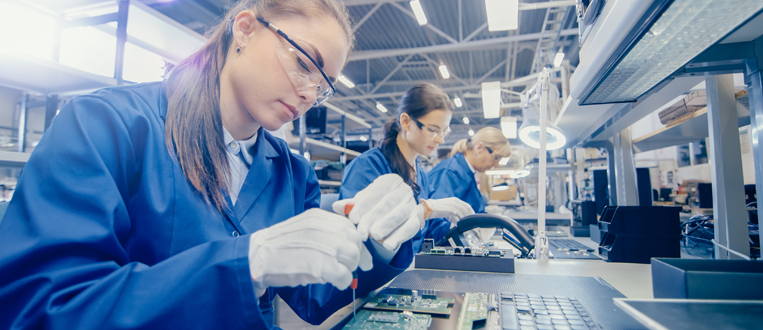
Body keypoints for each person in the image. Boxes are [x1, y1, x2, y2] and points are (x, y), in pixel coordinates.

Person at [0, 1, 422, 329]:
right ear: (245, 29)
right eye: (303, 63)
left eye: (323, 85)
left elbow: (313, 294)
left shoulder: (291, 175)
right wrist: (247, 263)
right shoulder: (107, 126)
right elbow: (43, 308)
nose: (310, 93)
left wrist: (380, 242)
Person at [338, 83, 474, 253]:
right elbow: (368, 235)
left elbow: (429, 233)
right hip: (379, 276)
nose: (441, 140)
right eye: (433, 130)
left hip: (411, 271)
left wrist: (458, 228)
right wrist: (423, 211)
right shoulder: (367, 167)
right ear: (406, 121)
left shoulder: (420, 175)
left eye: (444, 132)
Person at [429, 127, 511, 213]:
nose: (496, 164)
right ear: (479, 148)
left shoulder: (467, 173)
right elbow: (439, 220)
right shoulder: (449, 172)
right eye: (496, 158)